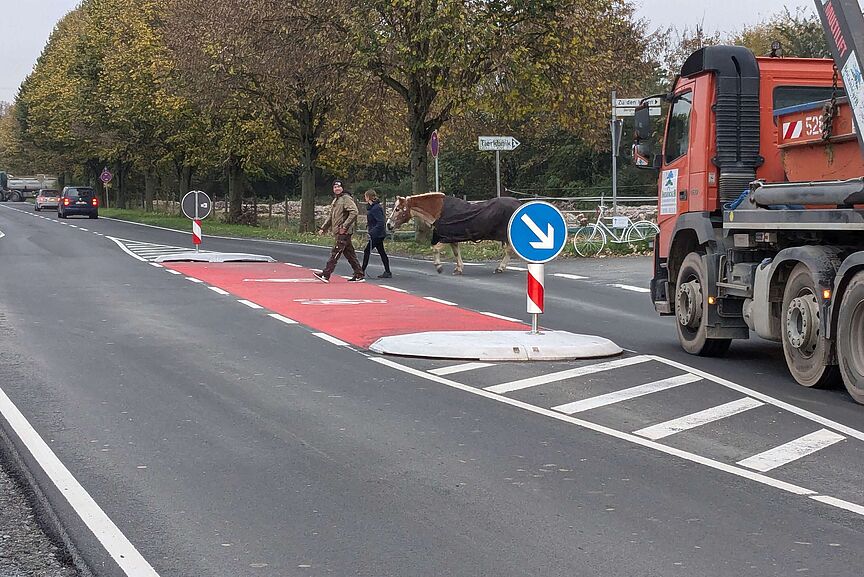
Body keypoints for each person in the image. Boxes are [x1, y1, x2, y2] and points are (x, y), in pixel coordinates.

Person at [313, 180, 365, 283]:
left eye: (339, 186)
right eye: (335, 187)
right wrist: (324, 228)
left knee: (335, 252)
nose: (336, 188)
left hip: (344, 232)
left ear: (342, 188)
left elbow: (354, 212)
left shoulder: (346, 199)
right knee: (350, 254)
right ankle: (359, 274)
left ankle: (326, 274)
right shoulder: (336, 200)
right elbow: (331, 217)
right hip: (338, 231)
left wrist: (345, 226)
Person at [361, 189, 392, 279]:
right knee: (382, 252)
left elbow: (380, 222)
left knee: (367, 251)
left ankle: (361, 271)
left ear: (368, 197)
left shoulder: (376, 208)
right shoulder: (373, 207)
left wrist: (371, 232)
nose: (365, 198)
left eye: (365, 196)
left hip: (377, 234)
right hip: (378, 233)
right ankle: (387, 271)